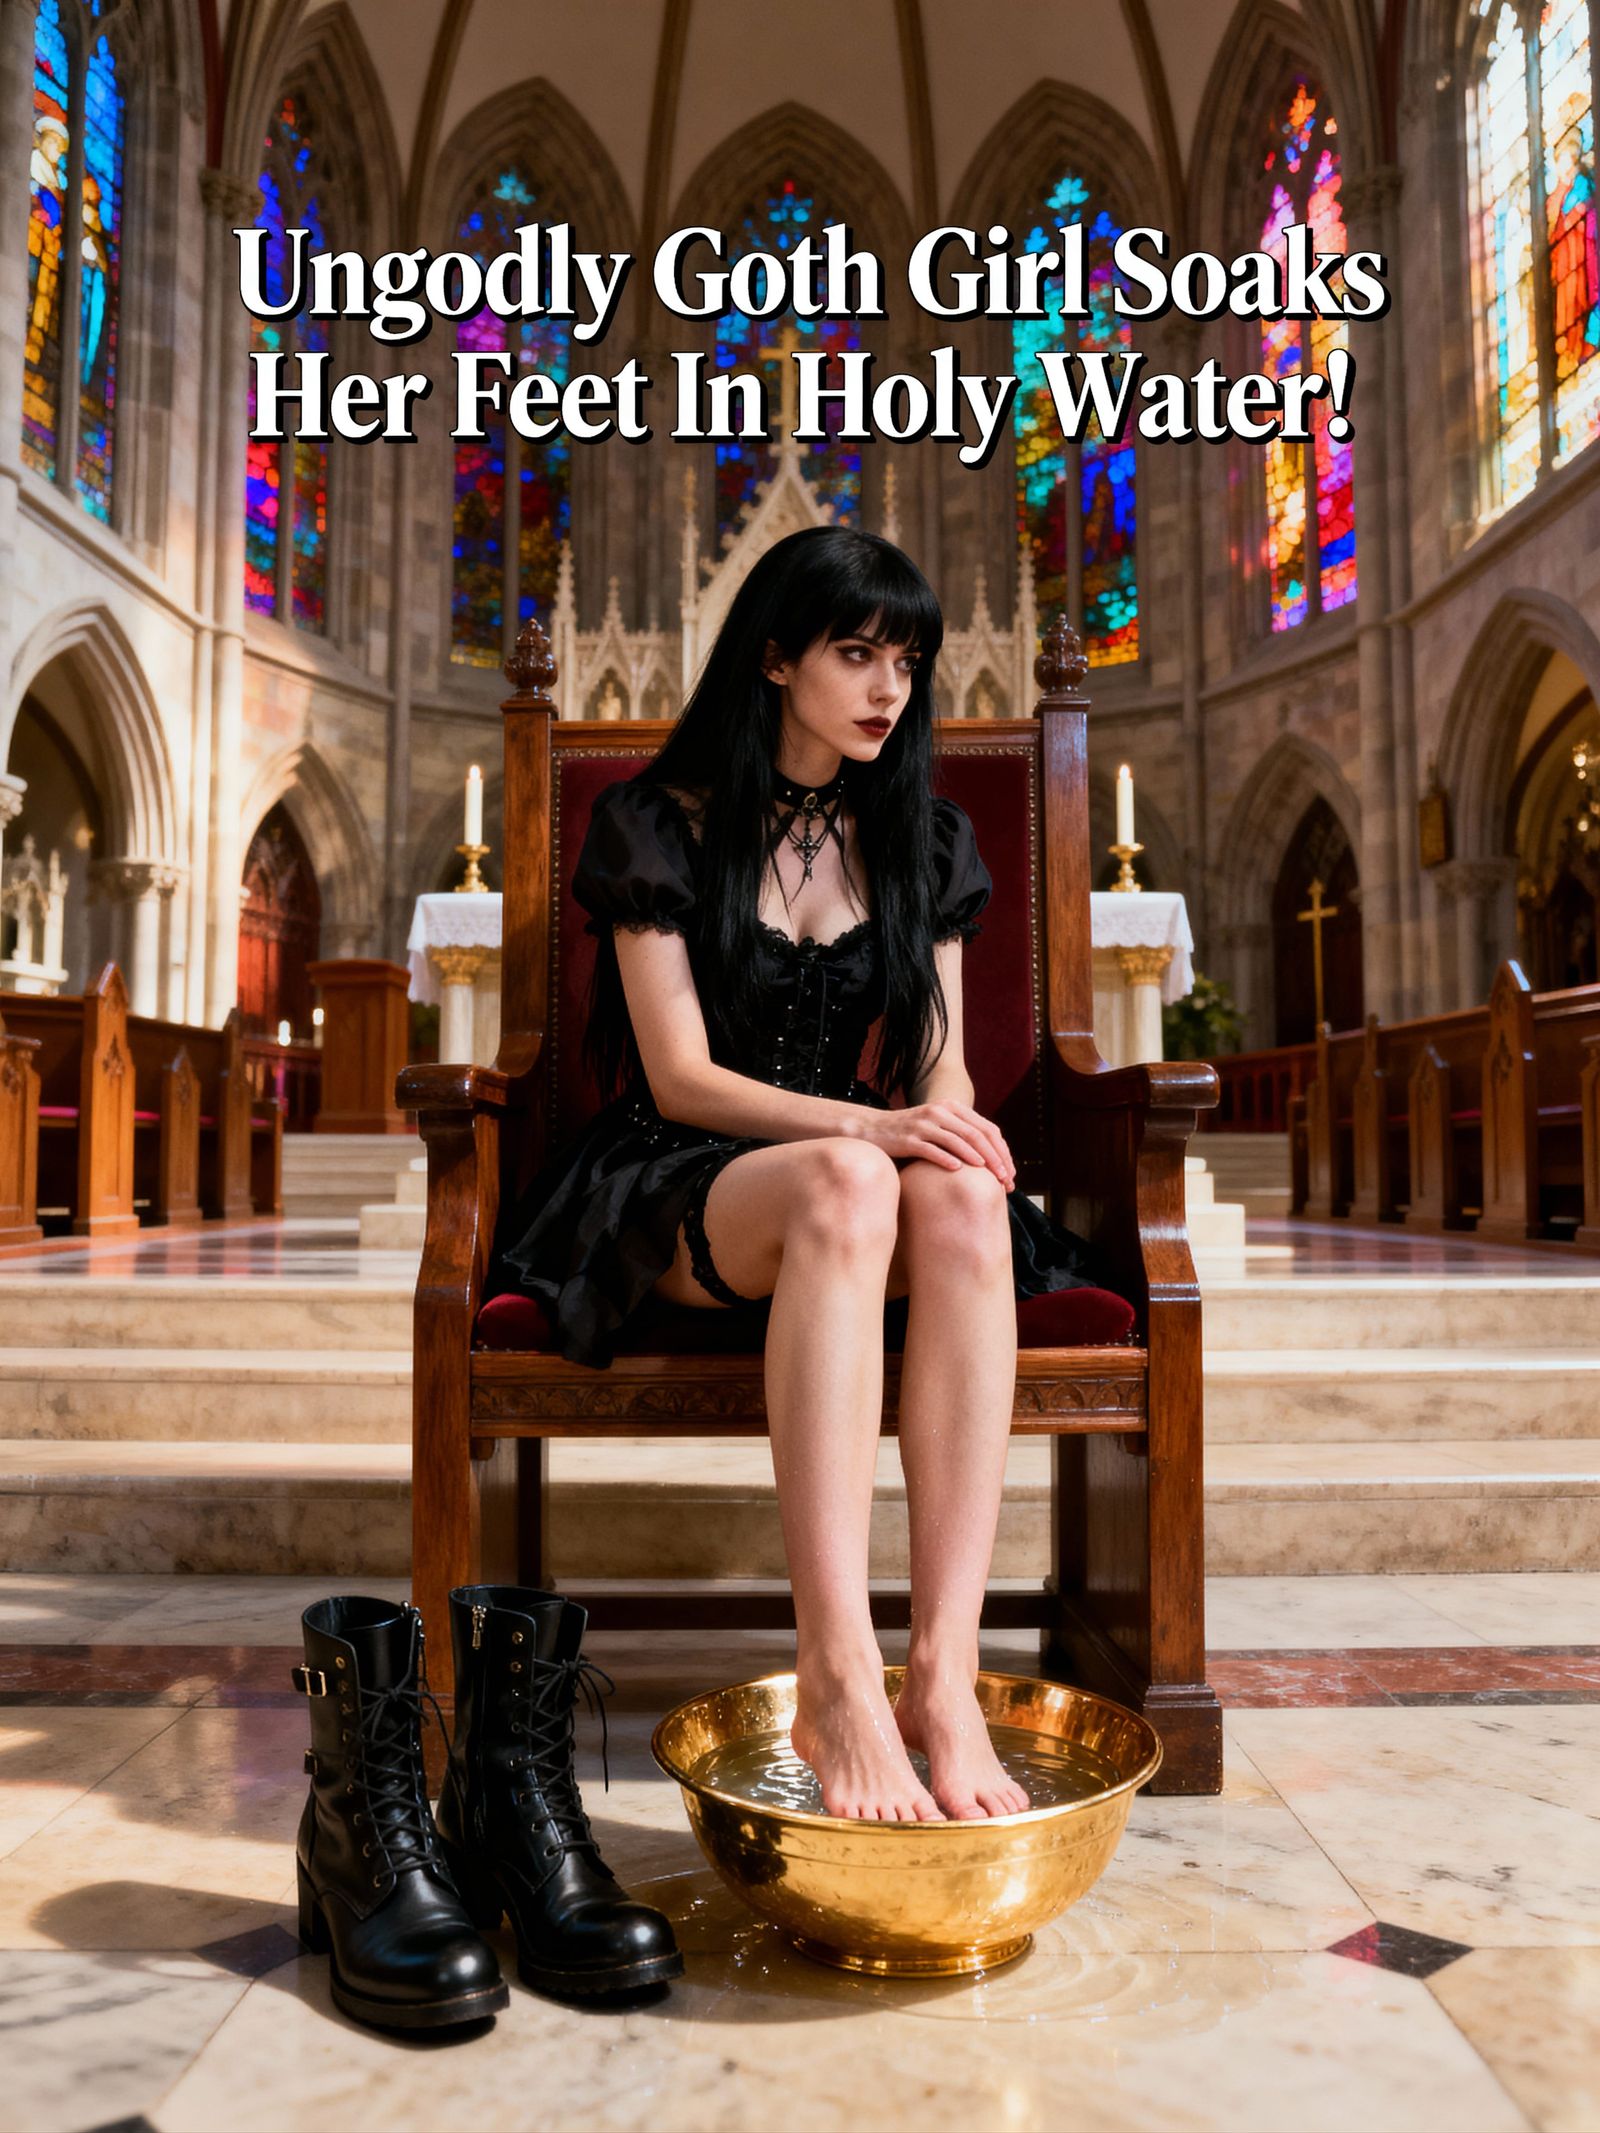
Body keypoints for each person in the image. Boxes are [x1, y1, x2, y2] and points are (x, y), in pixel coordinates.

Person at [498, 526, 1099, 1824]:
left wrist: (949, 1137)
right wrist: (876, 1130)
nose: (892, 686)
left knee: (954, 1188)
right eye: (858, 653)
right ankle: (835, 1667)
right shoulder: (654, 823)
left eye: (911, 659)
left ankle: (943, 1668)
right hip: (684, 1179)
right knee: (851, 1175)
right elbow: (679, 1079)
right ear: (774, 659)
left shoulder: (925, 839)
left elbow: (936, 1068)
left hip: (855, 1175)